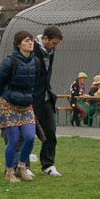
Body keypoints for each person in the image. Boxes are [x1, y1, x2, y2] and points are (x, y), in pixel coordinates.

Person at [0, 31, 44, 182]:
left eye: (32, 41)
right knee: (13, 140)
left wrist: (32, 99)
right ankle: (9, 172)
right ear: (19, 44)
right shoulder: (10, 61)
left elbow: (37, 83)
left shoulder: (36, 62)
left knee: (29, 137)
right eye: (27, 41)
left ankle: (22, 167)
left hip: (26, 103)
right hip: (8, 102)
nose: (30, 43)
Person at [31, 26, 64, 176]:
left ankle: (48, 165)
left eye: (57, 44)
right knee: (27, 134)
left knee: (50, 132)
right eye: (54, 43)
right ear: (45, 39)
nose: (55, 47)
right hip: (31, 98)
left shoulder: (51, 52)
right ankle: (23, 165)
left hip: (45, 97)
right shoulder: (31, 50)